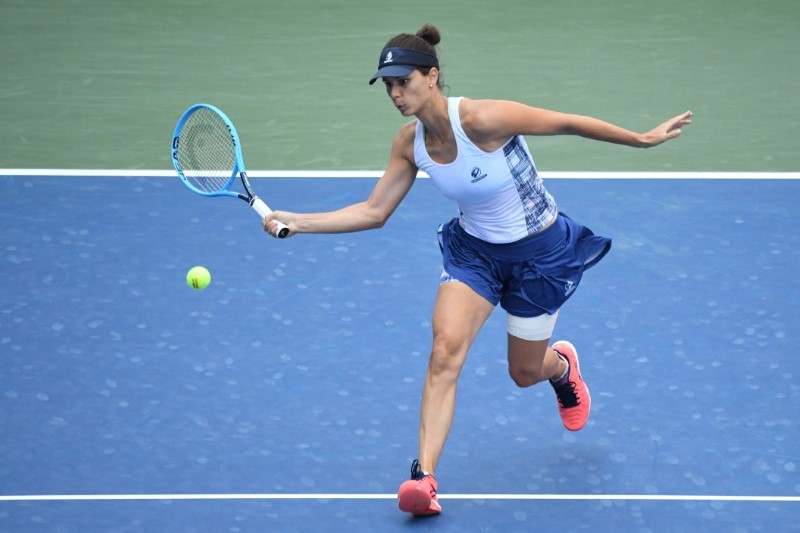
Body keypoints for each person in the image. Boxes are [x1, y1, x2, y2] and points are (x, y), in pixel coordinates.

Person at [263, 23, 692, 517]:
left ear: (433, 76)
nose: (396, 93)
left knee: (524, 372)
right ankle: (422, 479)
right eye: (388, 85)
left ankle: (562, 368)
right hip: (475, 255)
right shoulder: (410, 144)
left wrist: (641, 139)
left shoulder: (483, 119)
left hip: (540, 255)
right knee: (444, 353)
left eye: (404, 81)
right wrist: (298, 221)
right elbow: (375, 211)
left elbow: (567, 122)